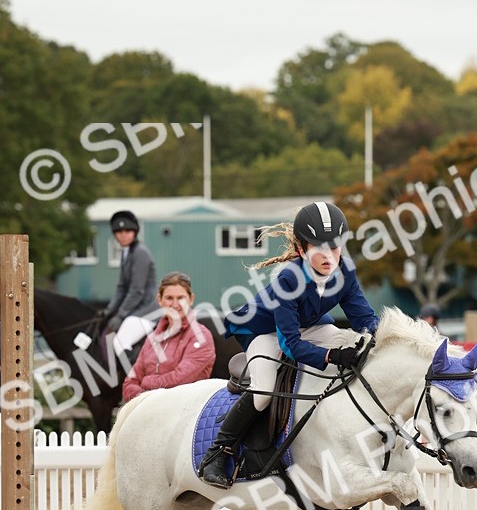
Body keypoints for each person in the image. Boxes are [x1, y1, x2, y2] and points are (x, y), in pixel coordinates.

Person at [198, 201, 379, 488]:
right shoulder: (288, 279)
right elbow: (291, 344)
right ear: (301, 250)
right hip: (265, 332)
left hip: (311, 325)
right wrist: (332, 356)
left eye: (334, 247)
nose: (328, 256)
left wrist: (379, 341)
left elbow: (365, 320)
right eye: (319, 248)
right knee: (264, 391)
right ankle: (218, 452)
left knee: (355, 344)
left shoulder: (345, 272)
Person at [122, 273, 216, 402]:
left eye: (181, 298)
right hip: (148, 412)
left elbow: (179, 381)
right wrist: (145, 401)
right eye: (169, 298)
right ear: (159, 300)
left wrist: (146, 383)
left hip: (185, 413)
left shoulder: (201, 336)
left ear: (191, 299)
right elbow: (129, 383)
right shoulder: (152, 339)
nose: (175, 304)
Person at [102, 209, 158, 355]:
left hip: (147, 310)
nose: (123, 235)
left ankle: (134, 377)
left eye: (127, 230)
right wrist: (109, 310)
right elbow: (121, 287)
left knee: (120, 342)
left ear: (135, 232)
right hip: (135, 309)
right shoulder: (126, 252)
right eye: (119, 231)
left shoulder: (140, 252)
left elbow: (136, 290)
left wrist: (120, 315)